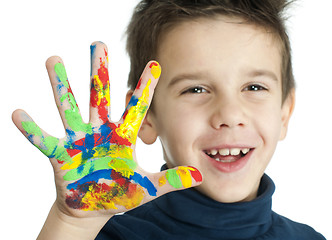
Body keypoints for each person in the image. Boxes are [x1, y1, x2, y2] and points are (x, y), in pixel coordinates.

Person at [11, 0, 326, 239]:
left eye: (254, 87)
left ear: (285, 112)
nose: (229, 115)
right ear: (145, 116)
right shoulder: (106, 232)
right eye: (196, 89)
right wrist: (72, 222)